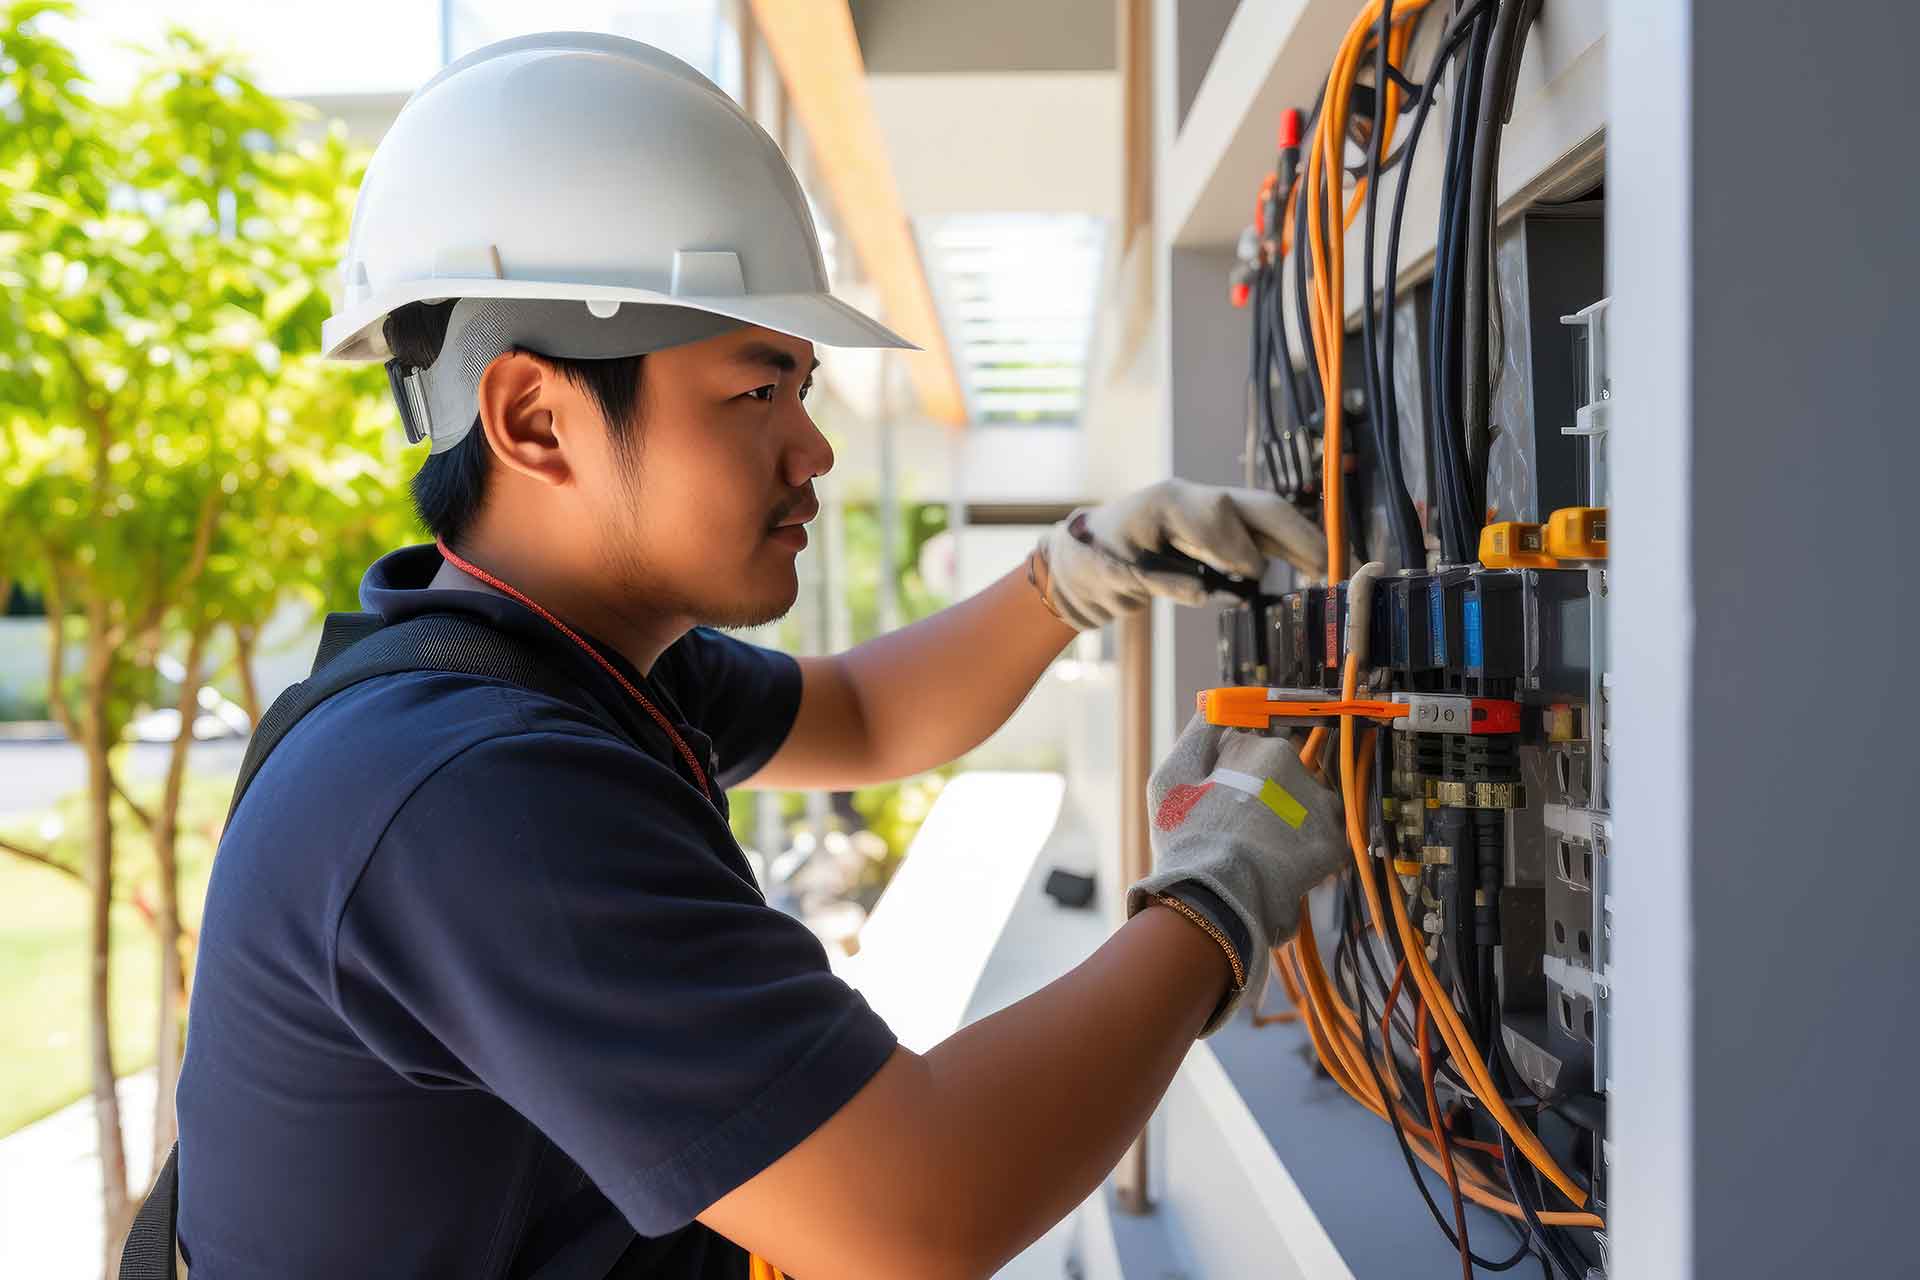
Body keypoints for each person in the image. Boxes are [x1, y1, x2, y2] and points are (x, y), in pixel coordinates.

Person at [174, 33, 1352, 1279]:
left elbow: (861, 715)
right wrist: (1216, 898)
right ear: (534, 418)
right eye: (755, 392)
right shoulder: (475, 789)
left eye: (801, 386)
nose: (814, 448)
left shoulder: (546, 660)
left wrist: (1068, 574)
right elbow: (921, 1213)